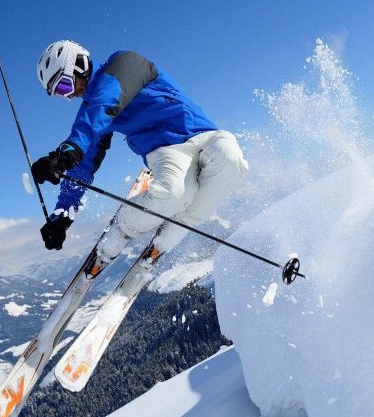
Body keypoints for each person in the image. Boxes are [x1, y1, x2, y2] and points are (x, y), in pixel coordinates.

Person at [30, 40, 248, 265]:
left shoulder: (125, 63)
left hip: (203, 134)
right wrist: (62, 216)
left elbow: (107, 99)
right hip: (166, 151)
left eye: (65, 85)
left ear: (79, 64)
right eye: (60, 94)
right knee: (174, 193)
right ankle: (124, 225)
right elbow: (83, 165)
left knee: (229, 154)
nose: (71, 94)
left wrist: (66, 152)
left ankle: (180, 223)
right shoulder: (93, 113)